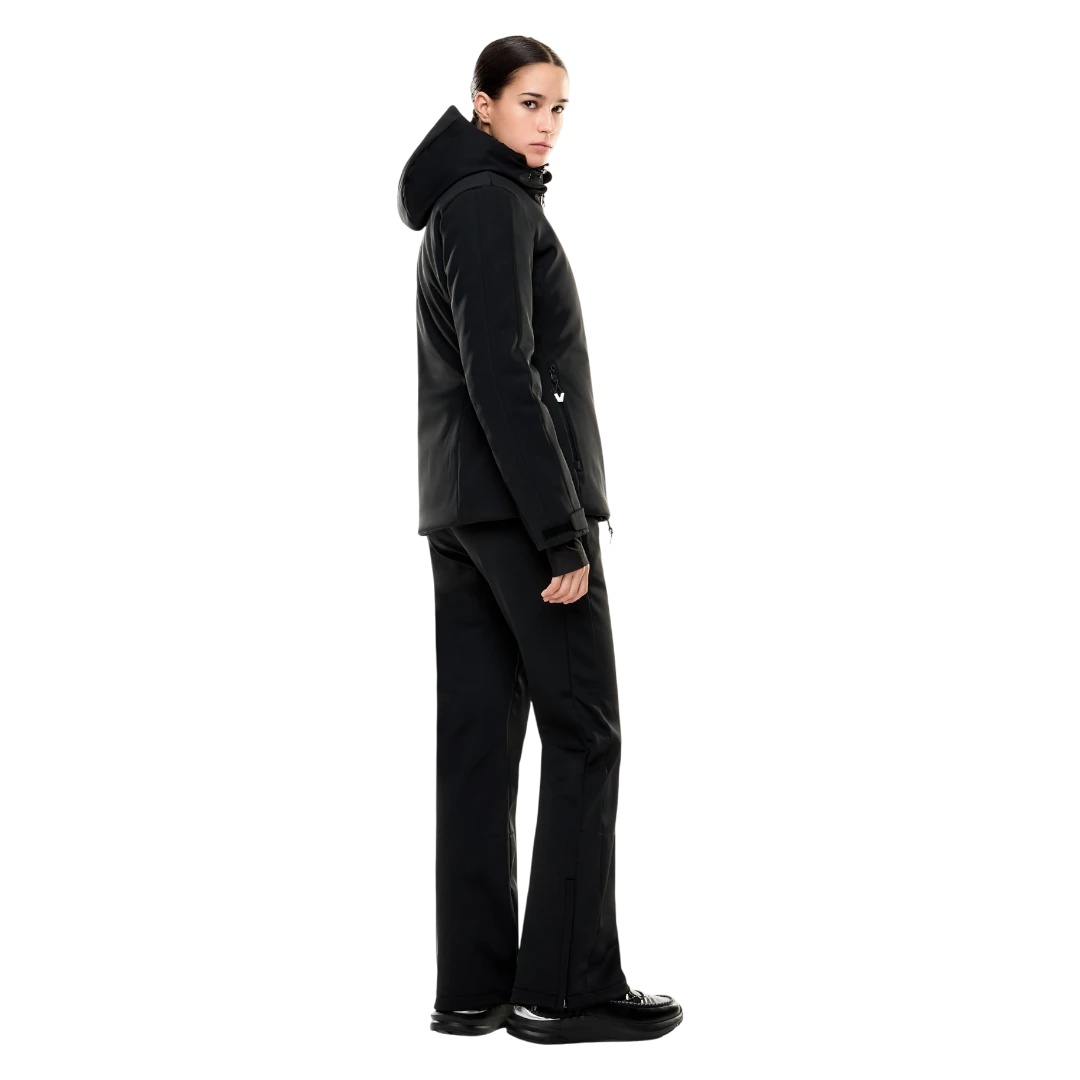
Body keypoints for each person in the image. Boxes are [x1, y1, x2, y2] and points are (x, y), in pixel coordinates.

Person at [396, 34, 681, 1045]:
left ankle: (472, 987)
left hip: (463, 511)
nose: (548, 125)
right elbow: (502, 373)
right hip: (518, 513)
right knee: (582, 728)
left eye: (560, 108)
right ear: (482, 105)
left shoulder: (462, 201)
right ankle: (563, 988)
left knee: (478, 744)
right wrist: (563, 533)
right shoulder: (489, 203)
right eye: (529, 103)